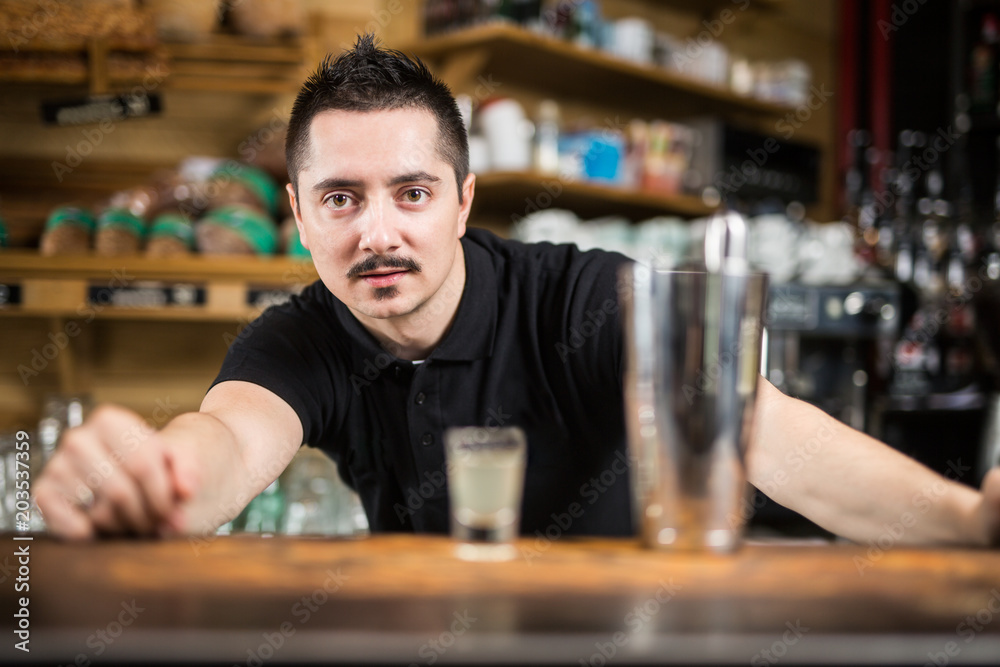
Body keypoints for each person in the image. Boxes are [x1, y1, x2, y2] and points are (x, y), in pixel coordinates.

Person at [35, 34, 1000, 545]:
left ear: (461, 202)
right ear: (297, 212)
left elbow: (757, 427)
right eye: (340, 197)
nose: (377, 233)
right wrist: (156, 490)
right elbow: (230, 442)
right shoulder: (300, 339)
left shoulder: (580, 300)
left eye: (411, 193)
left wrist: (966, 522)